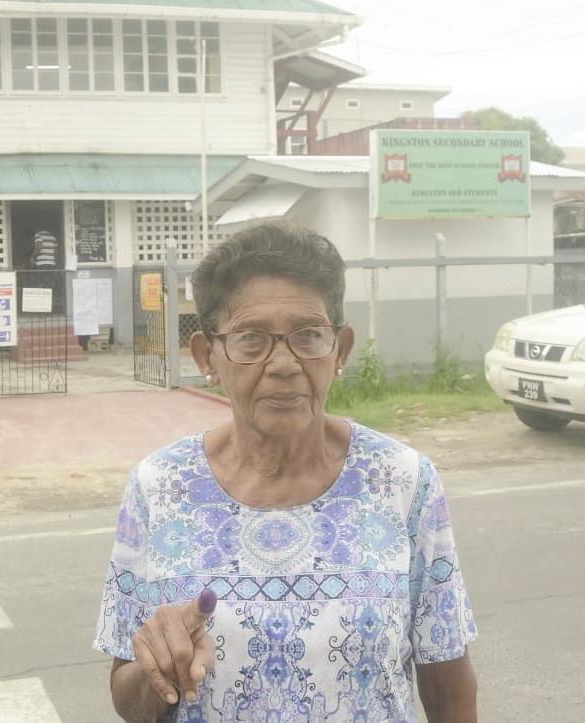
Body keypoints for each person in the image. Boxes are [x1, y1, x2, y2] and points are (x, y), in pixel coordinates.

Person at [94, 223, 477, 722]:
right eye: (251, 339)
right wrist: (158, 669)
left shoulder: (403, 481)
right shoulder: (158, 487)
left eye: (308, 336)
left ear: (340, 350)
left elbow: (448, 687)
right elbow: (126, 697)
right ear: (209, 357)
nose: (283, 364)